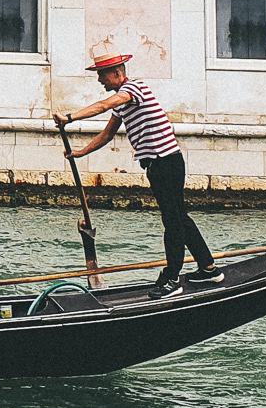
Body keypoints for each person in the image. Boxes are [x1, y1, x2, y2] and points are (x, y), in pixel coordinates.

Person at [54, 49, 222, 299]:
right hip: (161, 165)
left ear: (117, 73)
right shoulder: (123, 104)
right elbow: (107, 134)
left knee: (172, 222)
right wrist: (80, 152)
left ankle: (173, 280)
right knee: (180, 217)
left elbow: (102, 105)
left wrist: (69, 117)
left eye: (102, 75)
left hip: (165, 163)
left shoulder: (134, 90)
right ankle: (208, 268)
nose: (100, 80)